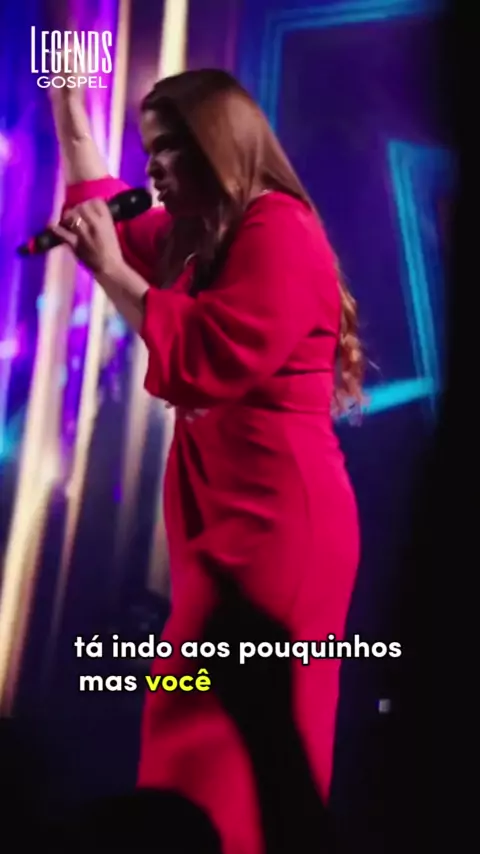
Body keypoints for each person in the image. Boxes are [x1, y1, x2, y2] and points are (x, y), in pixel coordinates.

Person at [50, 68, 362, 854]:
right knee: (197, 713)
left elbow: (202, 354)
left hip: (278, 522)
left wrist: (110, 271)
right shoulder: (205, 231)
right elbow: (111, 217)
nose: (150, 168)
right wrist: (65, 94)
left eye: (167, 149)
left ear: (216, 146)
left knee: (221, 720)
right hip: (224, 511)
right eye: (148, 150)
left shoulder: (281, 229)